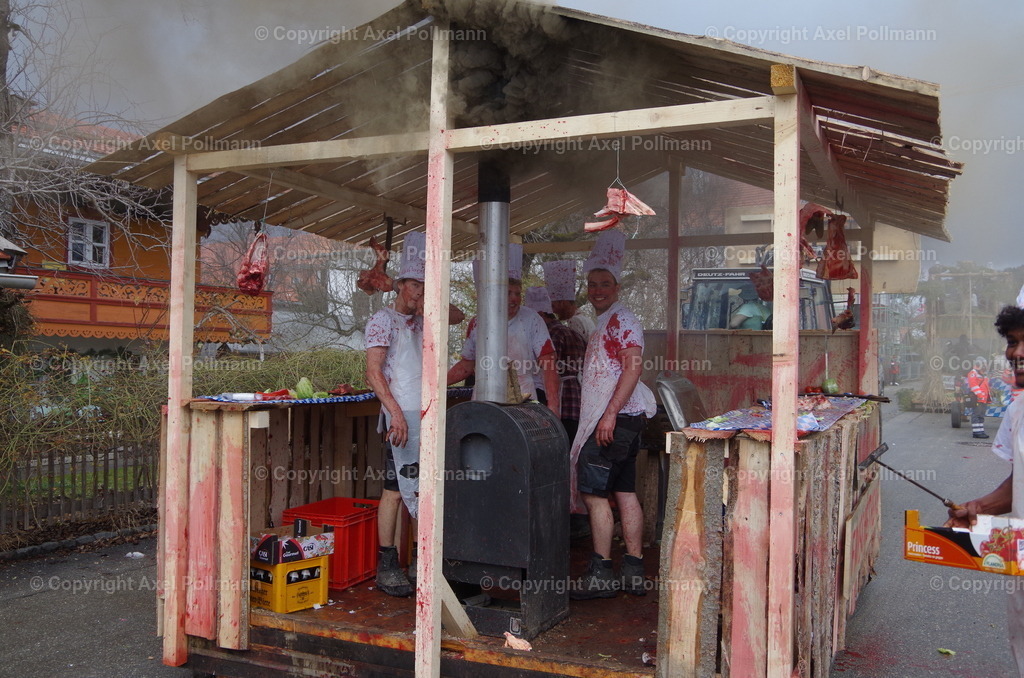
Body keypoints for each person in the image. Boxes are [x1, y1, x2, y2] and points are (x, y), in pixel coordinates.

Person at [568, 229, 657, 599]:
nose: (598, 290)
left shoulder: (623, 319)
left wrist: (608, 416)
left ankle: (601, 572)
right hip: (625, 419)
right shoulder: (604, 321)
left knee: (594, 496)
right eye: (592, 284)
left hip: (614, 421)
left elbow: (633, 367)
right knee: (624, 492)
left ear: (617, 287)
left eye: (605, 283)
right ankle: (633, 570)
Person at [945, 303, 1024, 674]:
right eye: (1013, 342)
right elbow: (1019, 479)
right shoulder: (1018, 411)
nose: (1017, 352)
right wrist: (980, 507)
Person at [364, 232, 428, 597]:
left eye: (424, 286)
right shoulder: (382, 320)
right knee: (394, 489)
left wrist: (428, 307)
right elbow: (374, 373)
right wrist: (396, 415)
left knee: (423, 488)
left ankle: (420, 559)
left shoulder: (424, 319)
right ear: (400, 285)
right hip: (399, 414)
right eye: (414, 285)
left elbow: (457, 315)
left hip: (425, 413)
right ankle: (387, 563)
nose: (419, 292)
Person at [447, 244, 560, 418]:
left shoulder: (532, 319)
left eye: (517, 293)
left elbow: (548, 362)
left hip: (523, 398)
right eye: (508, 293)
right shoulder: (477, 323)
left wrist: (553, 405)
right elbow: (467, 365)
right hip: (484, 399)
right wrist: (438, 385)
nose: (514, 299)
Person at [524, 285, 587, 442]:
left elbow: (547, 368)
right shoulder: (573, 333)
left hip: (562, 402)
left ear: (539, 314)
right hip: (577, 401)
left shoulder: (551, 333)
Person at [543, 259, 596, 340]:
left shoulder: (575, 321)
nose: (552, 311)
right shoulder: (584, 318)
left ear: (562, 303)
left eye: (553, 306)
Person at [966, 357, 991, 439]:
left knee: (981, 415)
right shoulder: (973, 373)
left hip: (983, 399)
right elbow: (974, 386)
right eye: (984, 364)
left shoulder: (982, 373)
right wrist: (980, 396)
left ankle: (980, 431)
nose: (985, 366)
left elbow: (986, 386)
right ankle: (977, 432)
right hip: (978, 398)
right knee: (976, 415)